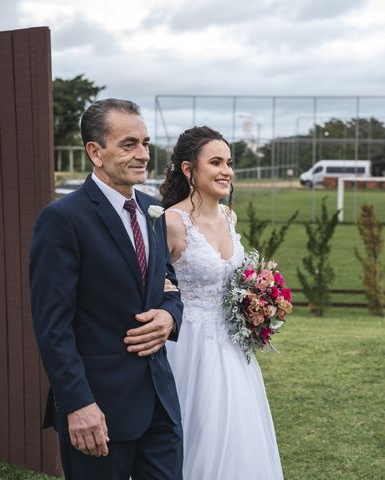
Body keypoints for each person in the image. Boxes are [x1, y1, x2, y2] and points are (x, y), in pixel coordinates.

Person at [30, 99, 184, 479]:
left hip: (160, 404)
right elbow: (53, 327)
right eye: (129, 144)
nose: (143, 154)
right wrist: (78, 404)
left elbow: (169, 286)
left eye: (145, 143)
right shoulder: (62, 220)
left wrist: (168, 316)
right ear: (95, 152)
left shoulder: (154, 211)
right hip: (98, 411)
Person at [160, 126, 284, 479]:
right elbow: (154, 286)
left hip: (233, 349)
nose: (226, 171)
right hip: (188, 347)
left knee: (239, 435)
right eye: (215, 162)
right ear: (188, 169)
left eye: (229, 162)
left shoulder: (230, 217)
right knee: (195, 431)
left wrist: (258, 302)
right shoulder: (172, 222)